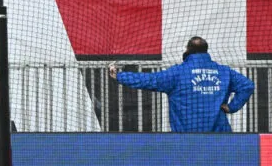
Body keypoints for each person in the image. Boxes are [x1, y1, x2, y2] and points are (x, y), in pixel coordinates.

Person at [108, 36, 254, 132]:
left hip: (187, 138)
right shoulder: (224, 72)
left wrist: (120, 76)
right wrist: (231, 107)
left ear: (188, 50)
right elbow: (247, 85)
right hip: (220, 136)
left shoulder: (177, 73)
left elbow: (148, 80)